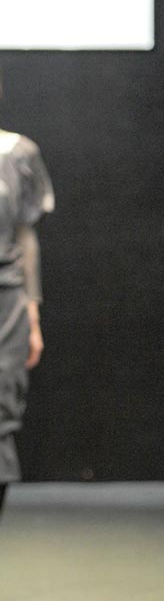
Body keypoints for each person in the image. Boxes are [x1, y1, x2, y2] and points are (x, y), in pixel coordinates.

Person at [0, 87, 54, 517]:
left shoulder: (18, 152)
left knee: (1, 415)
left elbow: (24, 236)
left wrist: (32, 316)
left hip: (6, 302)